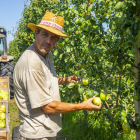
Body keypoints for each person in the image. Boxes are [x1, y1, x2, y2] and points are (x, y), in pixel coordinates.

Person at [13, 12, 102, 140]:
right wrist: (82, 106)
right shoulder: (31, 63)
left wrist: (66, 80)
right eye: (45, 34)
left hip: (46, 130)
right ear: (36, 33)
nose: (48, 41)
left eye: (54, 37)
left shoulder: (46, 55)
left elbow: (46, 79)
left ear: (58, 40)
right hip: (36, 134)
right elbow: (48, 107)